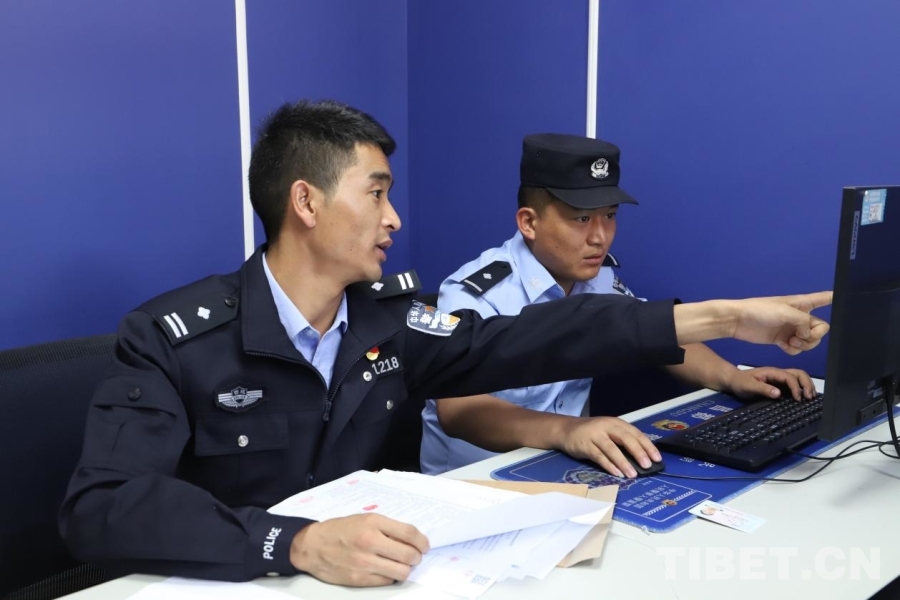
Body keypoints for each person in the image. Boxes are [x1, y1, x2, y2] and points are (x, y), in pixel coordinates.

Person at [59, 101, 830, 588]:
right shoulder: (173, 338)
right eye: (377, 193)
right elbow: (99, 508)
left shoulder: (389, 322)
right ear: (306, 203)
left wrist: (724, 318)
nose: (394, 219)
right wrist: (293, 544)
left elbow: (536, 337)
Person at [420, 133, 819, 478]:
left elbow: (652, 329)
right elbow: (459, 409)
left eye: (609, 216)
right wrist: (567, 430)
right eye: (581, 219)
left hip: (561, 467)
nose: (600, 237)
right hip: (475, 483)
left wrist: (732, 377)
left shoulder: (597, 276)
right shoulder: (476, 292)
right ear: (529, 222)